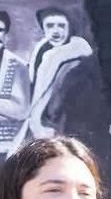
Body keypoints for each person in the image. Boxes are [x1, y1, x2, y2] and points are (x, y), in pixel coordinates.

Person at [27, 8, 94, 140]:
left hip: (63, 125)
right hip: (42, 122)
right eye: (50, 26)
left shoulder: (78, 57)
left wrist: (47, 125)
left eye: (61, 26)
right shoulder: (42, 49)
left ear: (70, 27)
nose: (56, 31)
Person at [0, 11, 30, 154]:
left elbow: (21, 110)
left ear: (6, 34)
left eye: (0, 30)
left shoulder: (18, 66)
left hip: (6, 146)